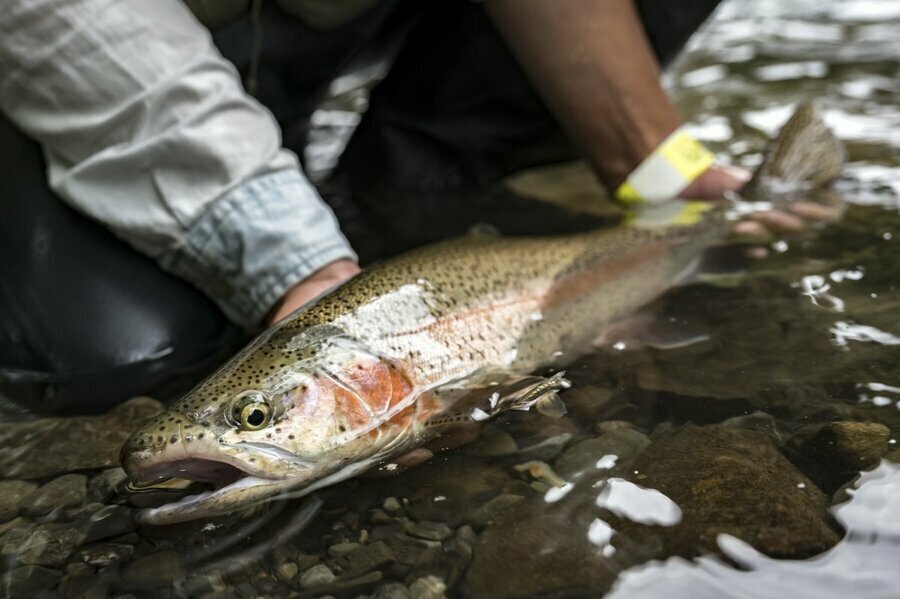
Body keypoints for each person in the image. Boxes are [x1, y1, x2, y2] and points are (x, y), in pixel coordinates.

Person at [0, 0, 750, 415]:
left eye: (256, 419)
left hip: (348, 26)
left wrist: (662, 168)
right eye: (257, 418)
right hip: (71, 54)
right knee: (119, 361)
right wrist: (293, 261)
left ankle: (400, 184)